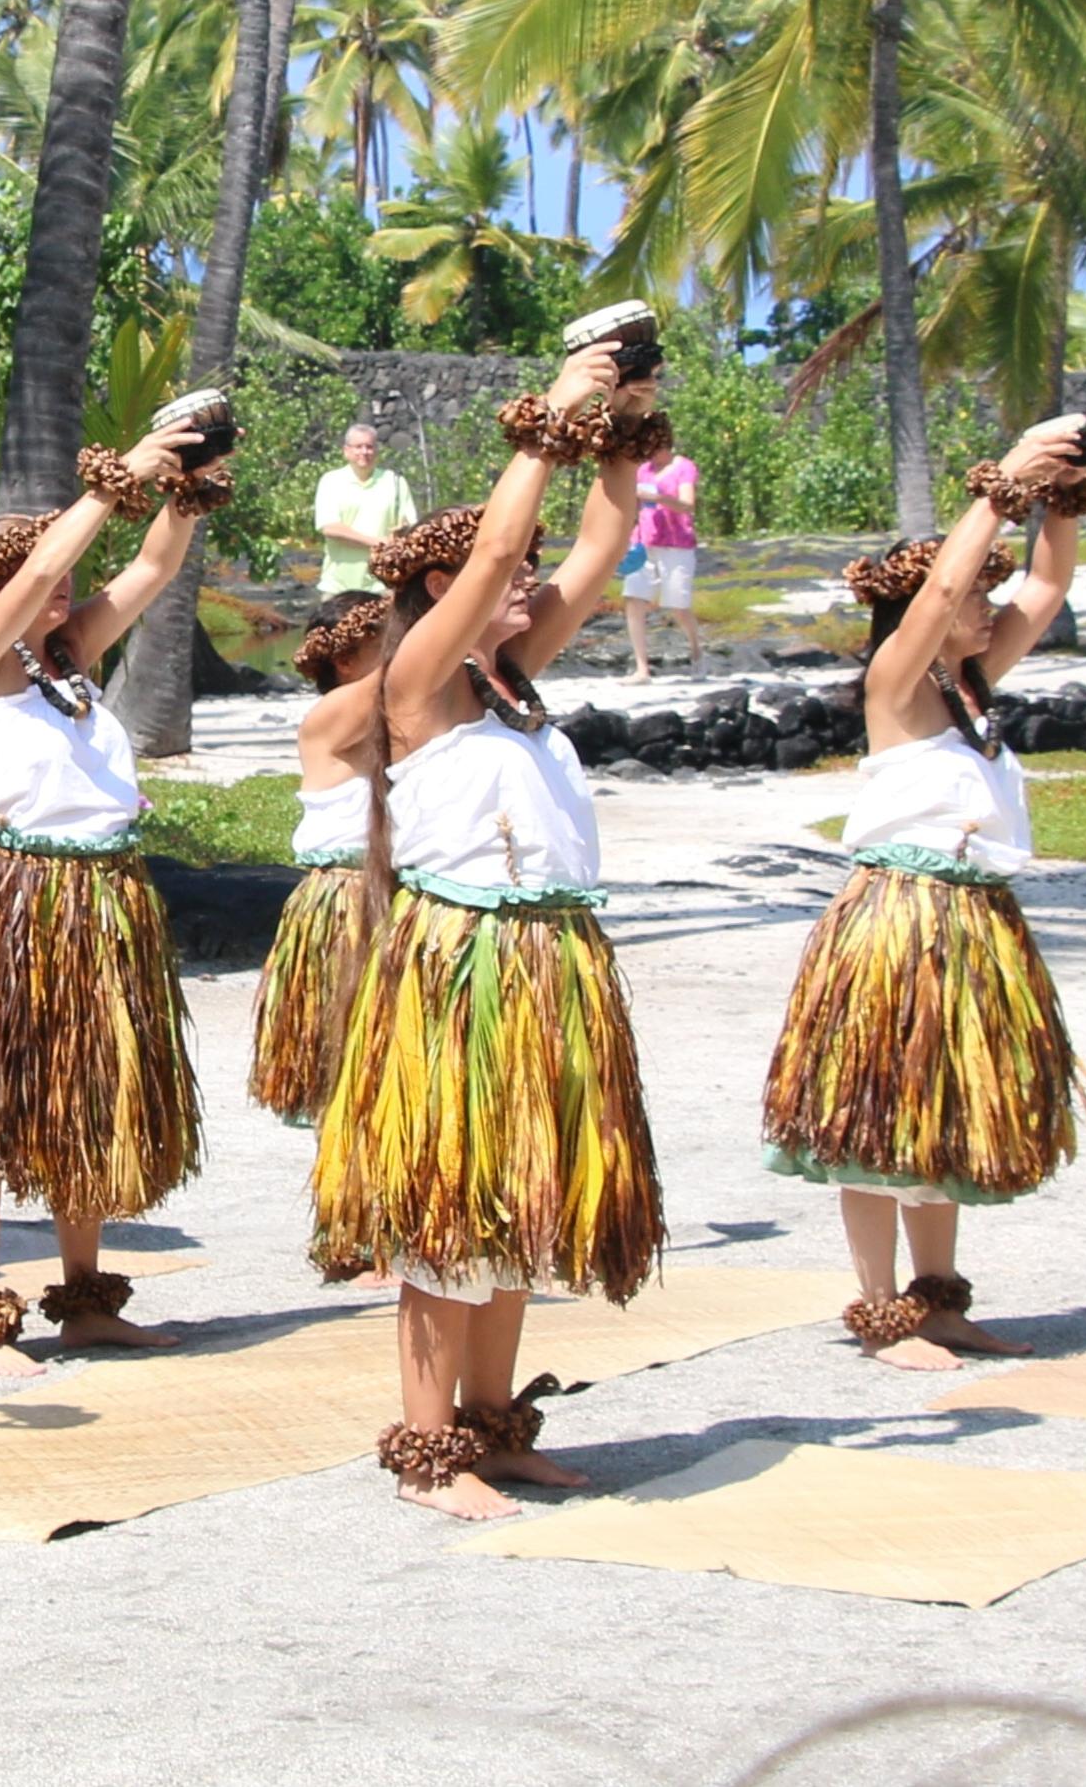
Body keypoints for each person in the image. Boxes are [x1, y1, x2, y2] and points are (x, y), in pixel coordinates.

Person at [311, 349, 666, 1518]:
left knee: (520, 1200)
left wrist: (623, 432)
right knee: (445, 1211)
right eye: (492, 584)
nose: (524, 592)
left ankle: (492, 1422)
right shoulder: (415, 683)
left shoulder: (513, 683)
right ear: (445, 594)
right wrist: (547, 419)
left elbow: (598, 547)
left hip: (551, 961)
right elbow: (513, 553)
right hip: (456, 963)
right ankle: (428, 1451)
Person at [0, 420, 226, 1373]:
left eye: (62, 564)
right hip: (3, 900)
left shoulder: (64, 658)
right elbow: (33, 580)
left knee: (85, 1097)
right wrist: (113, 485)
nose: (61, 580)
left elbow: (149, 572)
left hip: (97, 898)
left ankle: (85, 1297)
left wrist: (184, 491)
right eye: (39, 565)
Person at [762, 419, 1086, 1370]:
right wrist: (1002, 486)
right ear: (919, 616)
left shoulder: (974, 683)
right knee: (875, 1117)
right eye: (970, 598)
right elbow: (948, 585)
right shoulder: (897, 685)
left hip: (976, 919)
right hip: (898, 918)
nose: (988, 607)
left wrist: (1061, 493)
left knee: (940, 1110)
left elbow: (1049, 584)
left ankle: (937, 1299)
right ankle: (878, 1310)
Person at [248, 590, 385, 1122]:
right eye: (386, 642)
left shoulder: (412, 717)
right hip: (347, 901)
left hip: (396, 895)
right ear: (345, 661)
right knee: (343, 1065)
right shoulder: (329, 716)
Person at [622, 438, 703, 678]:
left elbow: (688, 504)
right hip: (643, 541)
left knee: (678, 604)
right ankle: (641, 667)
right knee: (634, 597)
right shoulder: (642, 469)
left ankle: (697, 651)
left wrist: (661, 498)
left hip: (676, 543)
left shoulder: (683, 467)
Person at [313, 424, 419, 598]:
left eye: (369, 447)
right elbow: (330, 528)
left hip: (383, 585)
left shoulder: (395, 482)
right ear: (346, 451)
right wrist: (376, 542)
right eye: (358, 447)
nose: (364, 452)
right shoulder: (331, 481)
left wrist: (400, 535)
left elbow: (410, 526)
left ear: (376, 451)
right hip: (339, 586)